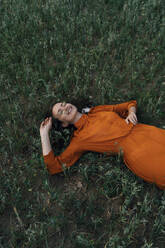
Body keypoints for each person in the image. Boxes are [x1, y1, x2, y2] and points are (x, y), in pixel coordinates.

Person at [40, 100, 165, 190]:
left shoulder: (96, 111)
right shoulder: (80, 140)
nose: (65, 108)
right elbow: (54, 166)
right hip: (139, 153)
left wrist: (132, 113)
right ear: (64, 124)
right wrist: (44, 134)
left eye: (63, 104)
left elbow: (129, 104)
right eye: (61, 112)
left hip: (146, 132)